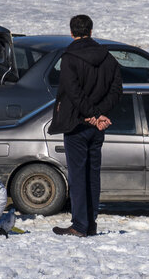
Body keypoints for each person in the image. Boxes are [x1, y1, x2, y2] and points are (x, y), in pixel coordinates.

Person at [48, 14, 122, 237]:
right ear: (91, 30)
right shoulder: (108, 58)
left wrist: (91, 114)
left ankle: (80, 224)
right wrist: (99, 115)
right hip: (97, 127)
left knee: (79, 175)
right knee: (93, 174)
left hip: (77, 124)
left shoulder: (70, 57)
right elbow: (116, 91)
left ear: (72, 32)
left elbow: (72, 91)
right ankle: (90, 222)